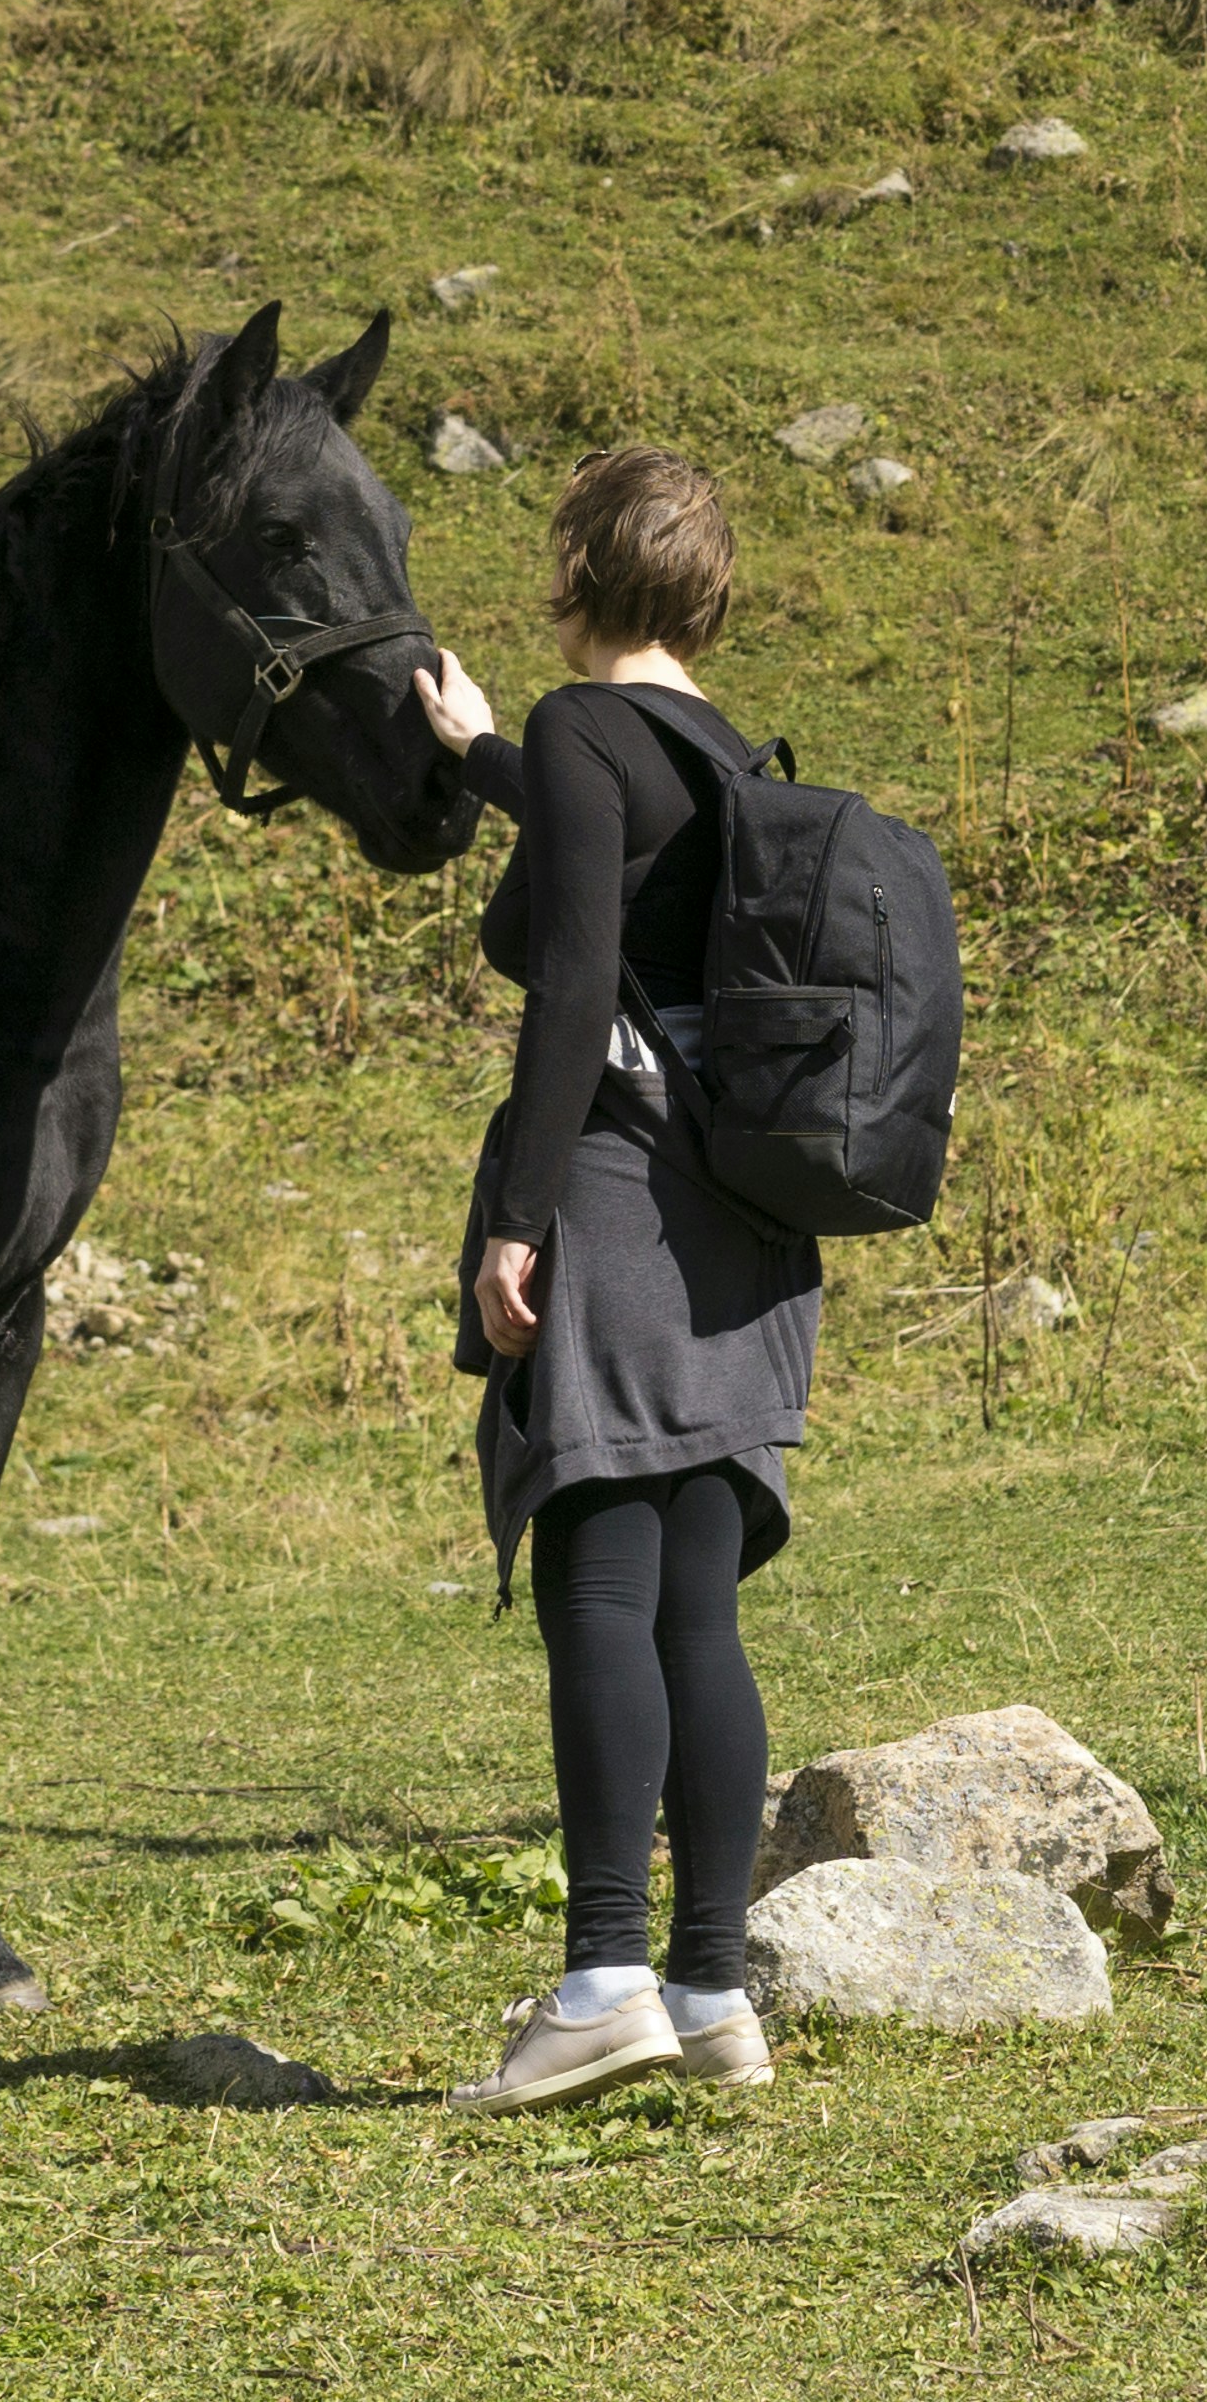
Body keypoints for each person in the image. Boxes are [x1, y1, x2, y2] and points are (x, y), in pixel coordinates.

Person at [408, 445, 823, 2114]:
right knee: (695, 1609)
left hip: (618, 1202)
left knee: (596, 1578)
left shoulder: (592, 734)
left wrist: (518, 1218)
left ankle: (599, 1983)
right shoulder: (736, 760)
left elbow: (573, 977)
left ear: (581, 564)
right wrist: (486, 752)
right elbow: (619, 869)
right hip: (743, 1233)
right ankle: (712, 1988)